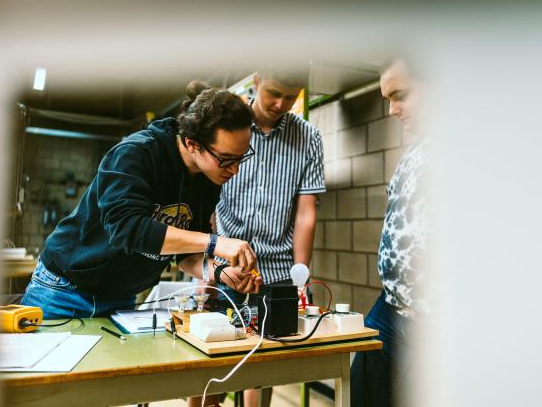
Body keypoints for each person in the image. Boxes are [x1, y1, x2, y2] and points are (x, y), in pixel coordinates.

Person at [21, 81, 262, 319]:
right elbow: (126, 228)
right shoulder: (136, 153)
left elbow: (186, 255)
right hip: (64, 290)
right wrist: (214, 242)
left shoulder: (208, 177)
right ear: (192, 144)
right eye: (227, 159)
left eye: (241, 158)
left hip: (121, 297)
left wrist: (221, 272)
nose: (235, 170)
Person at [194, 66, 325, 407]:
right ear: (256, 81)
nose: (281, 103)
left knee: (261, 369)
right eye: (274, 93)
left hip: (276, 271)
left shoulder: (308, 137)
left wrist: (301, 274)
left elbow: (305, 212)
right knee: (208, 370)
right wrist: (206, 265)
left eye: (291, 96)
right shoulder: (227, 124)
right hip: (224, 266)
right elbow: (203, 197)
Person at [350, 58, 429, 407]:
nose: (393, 109)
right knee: (362, 388)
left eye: (401, 95)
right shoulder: (416, 151)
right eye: (387, 99)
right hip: (391, 304)